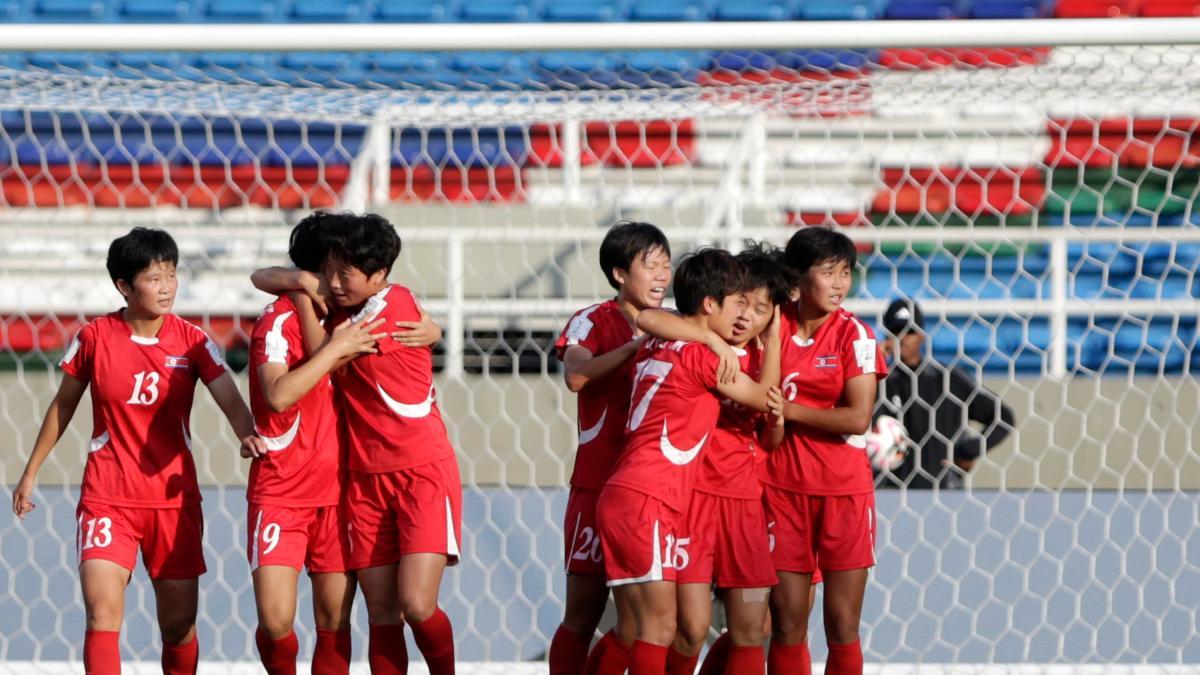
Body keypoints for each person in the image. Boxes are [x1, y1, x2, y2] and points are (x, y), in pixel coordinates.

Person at [11, 227, 265, 675]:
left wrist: (247, 433)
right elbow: (63, 404)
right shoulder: (95, 338)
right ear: (124, 286)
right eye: (153, 277)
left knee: (178, 626)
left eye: (171, 274)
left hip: (172, 500)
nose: (166, 287)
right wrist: (31, 471)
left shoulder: (193, 341)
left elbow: (229, 398)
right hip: (107, 497)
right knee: (102, 613)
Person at [256, 213, 459, 675]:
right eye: (328, 270)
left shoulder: (396, 306)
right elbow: (258, 276)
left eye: (344, 272)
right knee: (382, 613)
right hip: (364, 482)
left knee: (417, 604)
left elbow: (321, 353)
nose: (334, 281)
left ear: (379, 275)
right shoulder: (350, 305)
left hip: (421, 472)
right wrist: (300, 280)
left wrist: (303, 296)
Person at [586, 248, 773, 675]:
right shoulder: (706, 357)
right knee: (659, 626)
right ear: (711, 305)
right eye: (737, 303)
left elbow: (648, 318)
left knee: (635, 628)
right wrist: (774, 338)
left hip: (634, 493)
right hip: (649, 497)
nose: (743, 314)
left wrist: (706, 335)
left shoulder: (660, 338)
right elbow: (764, 398)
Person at [635, 242, 795, 675]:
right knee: (689, 628)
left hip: (744, 503)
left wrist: (776, 419)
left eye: (762, 309)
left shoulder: (767, 360)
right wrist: (707, 334)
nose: (747, 316)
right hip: (692, 500)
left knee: (752, 628)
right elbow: (648, 317)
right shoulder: (700, 344)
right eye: (741, 302)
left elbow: (771, 435)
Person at [245, 214, 387, 675]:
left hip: (339, 493)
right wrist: (329, 351)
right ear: (319, 269)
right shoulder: (275, 322)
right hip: (281, 491)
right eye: (336, 265)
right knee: (276, 620)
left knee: (334, 619)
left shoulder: (351, 314)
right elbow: (279, 393)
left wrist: (432, 330)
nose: (343, 276)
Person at [548, 221, 677, 675]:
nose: (662, 275)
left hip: (652, 493)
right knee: (582, 615)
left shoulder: (676, 327)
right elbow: (577, 376)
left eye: (666, 264)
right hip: (596, 485)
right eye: (651, 265)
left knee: (639, 624)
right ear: (620, 274)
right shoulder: (593, 320)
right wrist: (636, 348)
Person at [764, 226, 888, 675]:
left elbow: (857, 417)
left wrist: (789, 410)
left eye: (846, 273)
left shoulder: (855, 335)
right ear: (799, 276)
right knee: (785, 625)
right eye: (828, 272)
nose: (839, 284)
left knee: (841, 626)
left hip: (844, 495)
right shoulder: (770, 323)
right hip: (780, 490)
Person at [875, 298, 1016, 489]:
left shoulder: (949, 380)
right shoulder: (876, 383)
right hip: (890, 493)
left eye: (910, 331)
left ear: (922, 335)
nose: (903, 338)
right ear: (885, 337)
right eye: (896, 331)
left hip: (944, 493)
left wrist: (969, 450)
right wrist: (873, 368)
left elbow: (1003, 417)